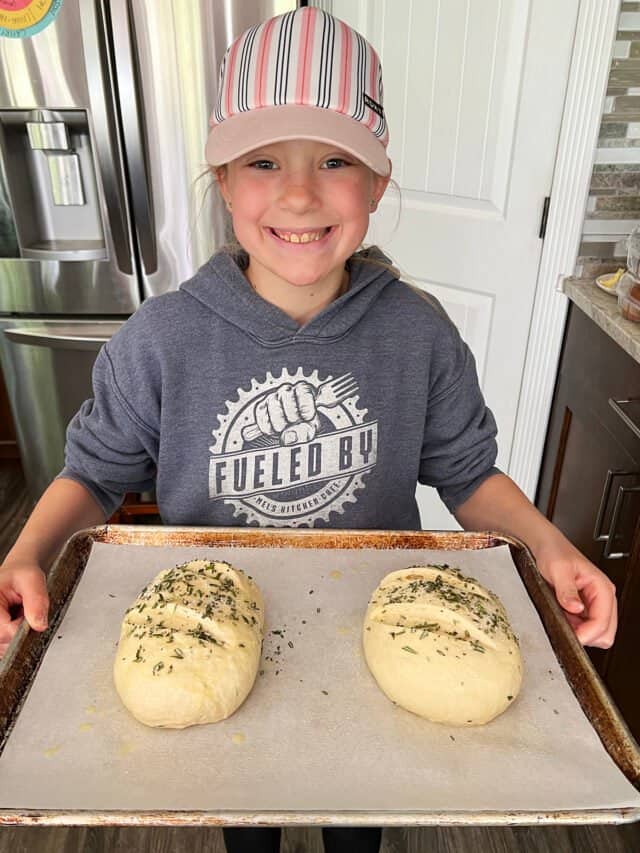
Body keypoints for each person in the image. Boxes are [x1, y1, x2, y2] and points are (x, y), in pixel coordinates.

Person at [0, 7, 616, 853]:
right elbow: (95, 473)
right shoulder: (162, 338)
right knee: (243, 814)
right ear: (222, 180)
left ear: (377, 186)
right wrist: (30, 551)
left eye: (335, 160)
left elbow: (469, 474)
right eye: (263, 161)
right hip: (206, 628)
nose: (298, 193)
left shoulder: (418, 331)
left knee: (357, 819)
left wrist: (548, 546)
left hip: (374, 634)